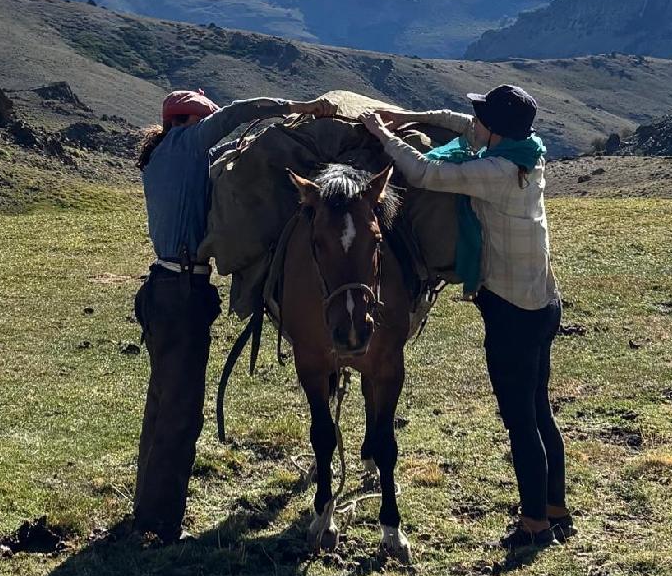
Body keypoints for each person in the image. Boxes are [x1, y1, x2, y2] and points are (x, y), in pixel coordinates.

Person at [361, 84, 569, 552]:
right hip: (544, 303)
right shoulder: (528, 151)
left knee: (521, 421)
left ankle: (534, 523)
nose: (472, 123)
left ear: (495, 131)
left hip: (511, 312)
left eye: (481, 119)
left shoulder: (494, 172)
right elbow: (461, 124)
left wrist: (380, 131)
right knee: (539, 410)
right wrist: (404, 114)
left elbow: (421, 173)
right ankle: (556, 509)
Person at [133, 87, 336, 543]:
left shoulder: (165, 156)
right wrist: (300, 108)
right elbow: (242, 112)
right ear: (189, 120)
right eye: (204, 120)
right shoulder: (187, 142)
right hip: (182, 292)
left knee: (163, 402)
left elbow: (223, 149)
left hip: (164, 290)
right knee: (181, 412)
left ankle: (147, 509)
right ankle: (159, 525)